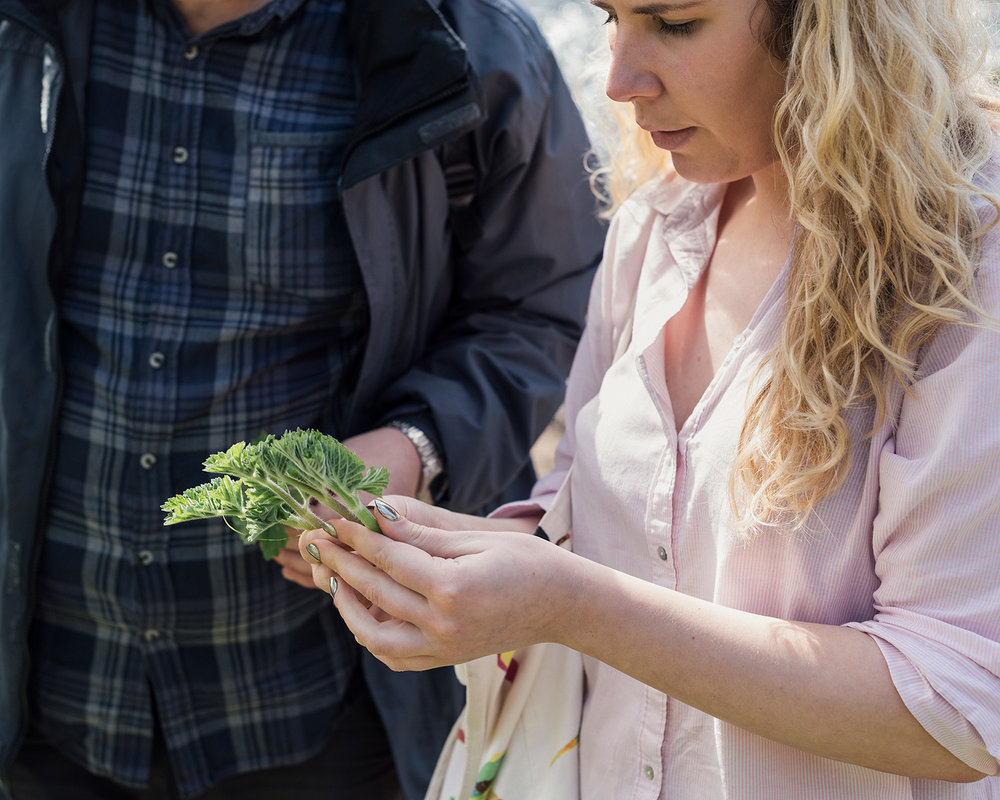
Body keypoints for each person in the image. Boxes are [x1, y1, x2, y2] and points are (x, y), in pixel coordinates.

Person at [299, 0, 1000, 797]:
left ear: (826, 23)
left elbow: (963, 702)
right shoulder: (656, 222)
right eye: (611, 17)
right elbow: (579, 501)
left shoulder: (969, 258)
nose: (619, 80)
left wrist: (570, 606)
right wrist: (442, 554)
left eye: (673, 22)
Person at [0, 0, 606, 798]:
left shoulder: (467, 43)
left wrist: (417, 445)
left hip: (326, 711)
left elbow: (538, 304)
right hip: (43, 703)